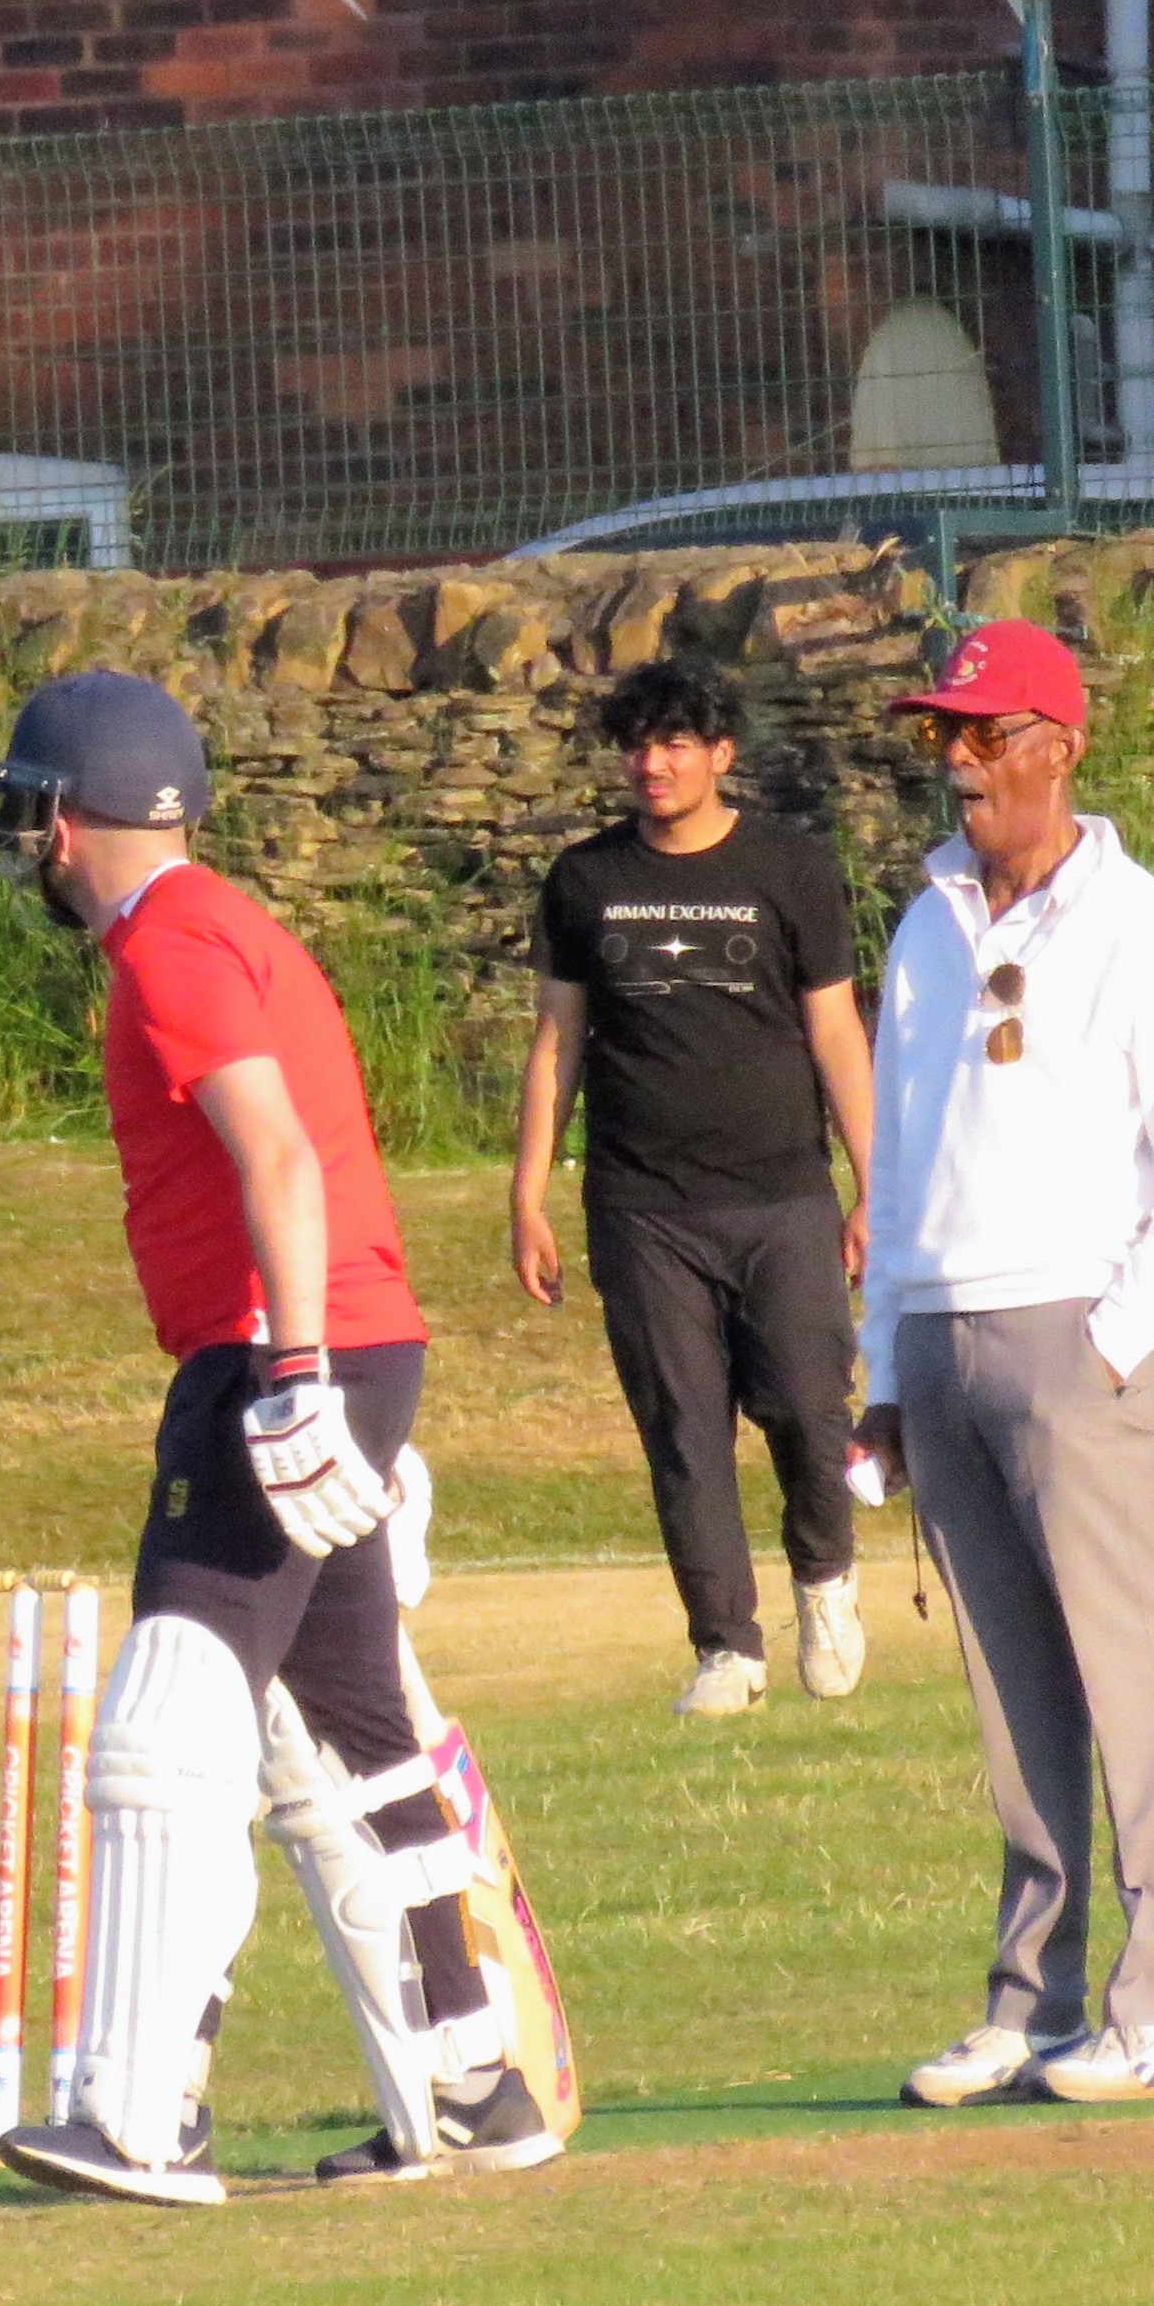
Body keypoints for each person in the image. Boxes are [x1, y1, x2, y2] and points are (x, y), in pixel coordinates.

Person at [0, 670, 563, 2203]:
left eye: (23, 809)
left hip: (277, 1344)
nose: (19, 839)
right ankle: (476, 2082)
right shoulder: (223, 920)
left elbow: (279, 1155)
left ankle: (142, 2114)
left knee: (167, 1723)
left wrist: (291, 1373)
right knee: (357, 1727)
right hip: (346, 1338)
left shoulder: (167, 943)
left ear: (62, 812)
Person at [854, 619, 1154, 2109]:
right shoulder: (921, 925)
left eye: (979, 732)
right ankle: (1034, 1999)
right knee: (1009, 1683)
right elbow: (898, 1160)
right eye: (940, 736)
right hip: (943, 1337)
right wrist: (885, 1366)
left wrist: (1112, 1339)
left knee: (1118, 1670)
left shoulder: (1152, 934)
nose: (955, 762)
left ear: (1058, 745)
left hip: (1072, 1333)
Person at [510, 659, 880, 1718]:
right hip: (641, 1206)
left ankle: (825, 1584)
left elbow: (837, 1034)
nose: (653, 763)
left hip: (782, 1196)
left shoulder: (792, 867)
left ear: (721, 754)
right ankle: (727, 1647)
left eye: (675, 743)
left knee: (811, 1408)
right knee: (684, 1428)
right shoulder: (585, 879)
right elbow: (556, 1041)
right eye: (638, 744)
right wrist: (527, 1195)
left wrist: (873, 1189)